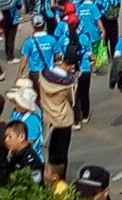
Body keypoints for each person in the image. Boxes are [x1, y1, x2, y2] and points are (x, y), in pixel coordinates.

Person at [40, 48, 80, 177]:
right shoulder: (67, 82)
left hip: (47, 116)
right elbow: (72, 100)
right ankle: (59, 179)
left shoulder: (44, 73)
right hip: (62, 120)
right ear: (72, 66)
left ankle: (49, 175)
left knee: (50, 152)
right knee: (61, 154)